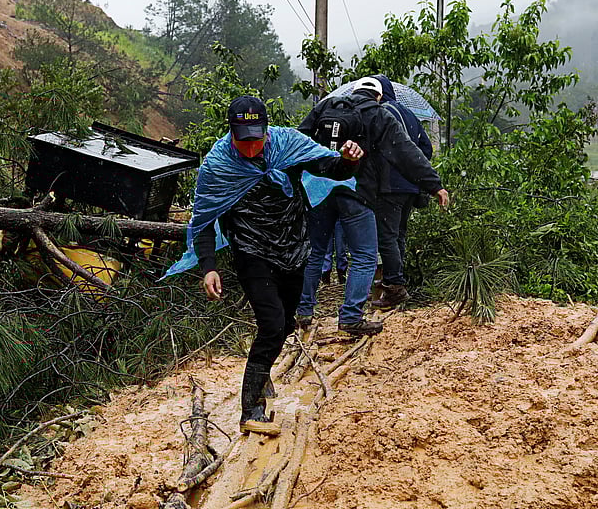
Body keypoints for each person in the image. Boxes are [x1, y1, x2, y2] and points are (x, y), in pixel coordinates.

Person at [165, 95, 362, 429]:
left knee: (285, 325)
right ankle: (251, 409)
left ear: (267, 131)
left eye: (256, 139)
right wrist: (209, 266)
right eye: (243, 141)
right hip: (251, 251)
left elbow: (332, 168)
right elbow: (203, 220)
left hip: (293, 246)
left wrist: (349, 160)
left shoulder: (288, 145)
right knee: (271, 324)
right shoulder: (218, 165)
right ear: (231, 133)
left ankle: (262, 371)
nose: (251, 148)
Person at [295, 77, 449, 333]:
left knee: (316, 252)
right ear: (378, 96)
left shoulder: (326, 106)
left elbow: (299, 140)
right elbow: (406, 152)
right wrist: (434, 185)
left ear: (354, 91)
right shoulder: (379, 114)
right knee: (364, 255)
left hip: (318, 190)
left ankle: (303, 311)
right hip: (356, 191)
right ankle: (351, 316)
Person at [372, 75, 437, 307]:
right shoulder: (409, 113)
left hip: (390, 185)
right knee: (398, 234)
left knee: (387, 237)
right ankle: (396, 282)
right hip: (411, 186)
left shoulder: (381, 114)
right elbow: (426, 149)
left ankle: (394, 287)